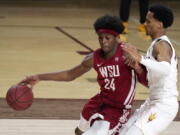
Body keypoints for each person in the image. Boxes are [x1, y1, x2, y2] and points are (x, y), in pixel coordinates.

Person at [19, 15, 147, 135]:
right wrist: (39, 77)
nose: (103, 42)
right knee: (79, 131)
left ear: (117, 37)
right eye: (100, 38)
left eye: (107, 38)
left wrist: (137, 67)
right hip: (98, 102)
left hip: (118, 110)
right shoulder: (93, 58)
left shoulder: (127, 53)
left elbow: (146, 79)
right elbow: (70, 75)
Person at [120, 4, 179, 135]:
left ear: (160, 24)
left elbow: (165, 69)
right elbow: (152, 80)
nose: (145, 24)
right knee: (122, 132)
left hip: (164, 105)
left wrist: (140, 58)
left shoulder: (161, 45)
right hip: (153, 101)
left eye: (148, 21)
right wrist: (137, 67)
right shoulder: (155, 44)